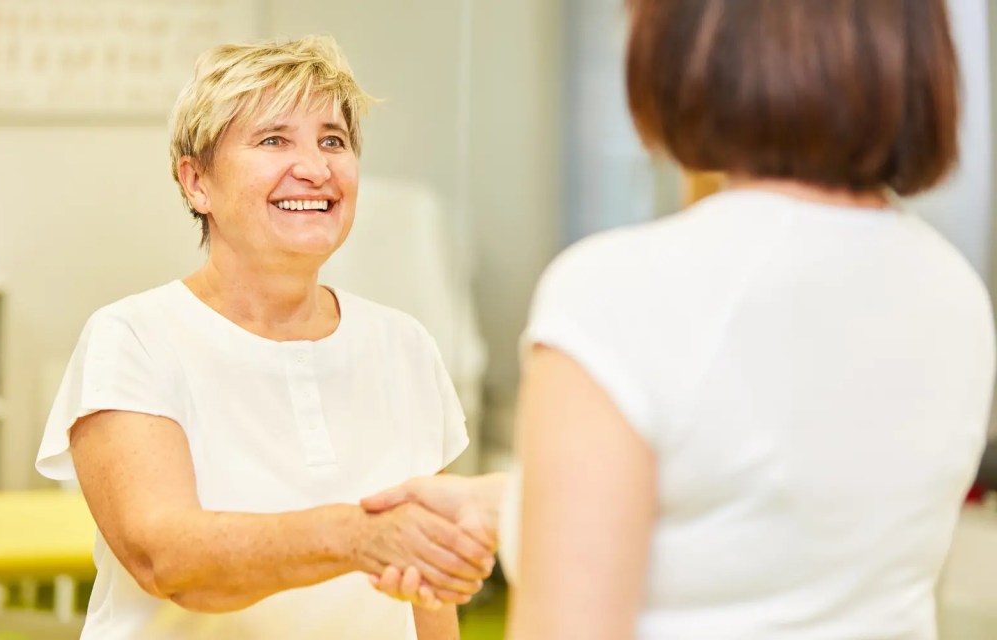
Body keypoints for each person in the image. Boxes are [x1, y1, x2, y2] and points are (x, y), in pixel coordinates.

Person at [361, 1, 997, 638]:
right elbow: (769, 526)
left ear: (690, 46)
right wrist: (512, 503)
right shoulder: (953, 291)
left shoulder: (617, 291)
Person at [35, 35, 494, 640]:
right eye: (274, 139)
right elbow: (166, 559)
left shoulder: (403, 346)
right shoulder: (133, 339)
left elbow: (426, 595)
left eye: (333, 139)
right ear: (197, 183)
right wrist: (357, 537)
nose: (315, 167)